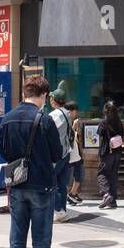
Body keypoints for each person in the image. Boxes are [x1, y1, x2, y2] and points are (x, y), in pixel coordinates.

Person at [0, 79, 65, 248]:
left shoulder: (7, 119)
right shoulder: (44, 120)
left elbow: (3, 152)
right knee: (40, 241)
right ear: (44, 94)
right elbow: (57, 154)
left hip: (16, 186)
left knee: (16, 241)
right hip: (42, 186)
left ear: (24, 92)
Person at [48, 89, 75, 223]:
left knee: (51, 183)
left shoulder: (55, 115)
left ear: (54, 99)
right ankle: (62, 210)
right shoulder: (67, 113)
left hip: (56, 154)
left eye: (51, 98)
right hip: (66, 152)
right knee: (61, 184)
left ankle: (58, 210)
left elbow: (50, 134)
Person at [97, 100, 124, 210]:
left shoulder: (103, 123)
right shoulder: (119, 122)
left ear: (105, 111)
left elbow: (99, 134)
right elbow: (122, 135)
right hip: (117, 152)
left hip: (107, 152)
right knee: (113, 175)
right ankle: (112, 201)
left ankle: (105, 194)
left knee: (102, 174)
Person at [64, 102, 83, 205]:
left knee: (79, 173)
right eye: (75, 112)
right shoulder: (65, 121)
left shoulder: (70, 120)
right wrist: (73, 128)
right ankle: (69, 195)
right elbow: (66, 137)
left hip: (75, 153)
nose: (76, 114)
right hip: (69, 154)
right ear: (70, 111)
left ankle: (73, 193)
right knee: (68, 176)